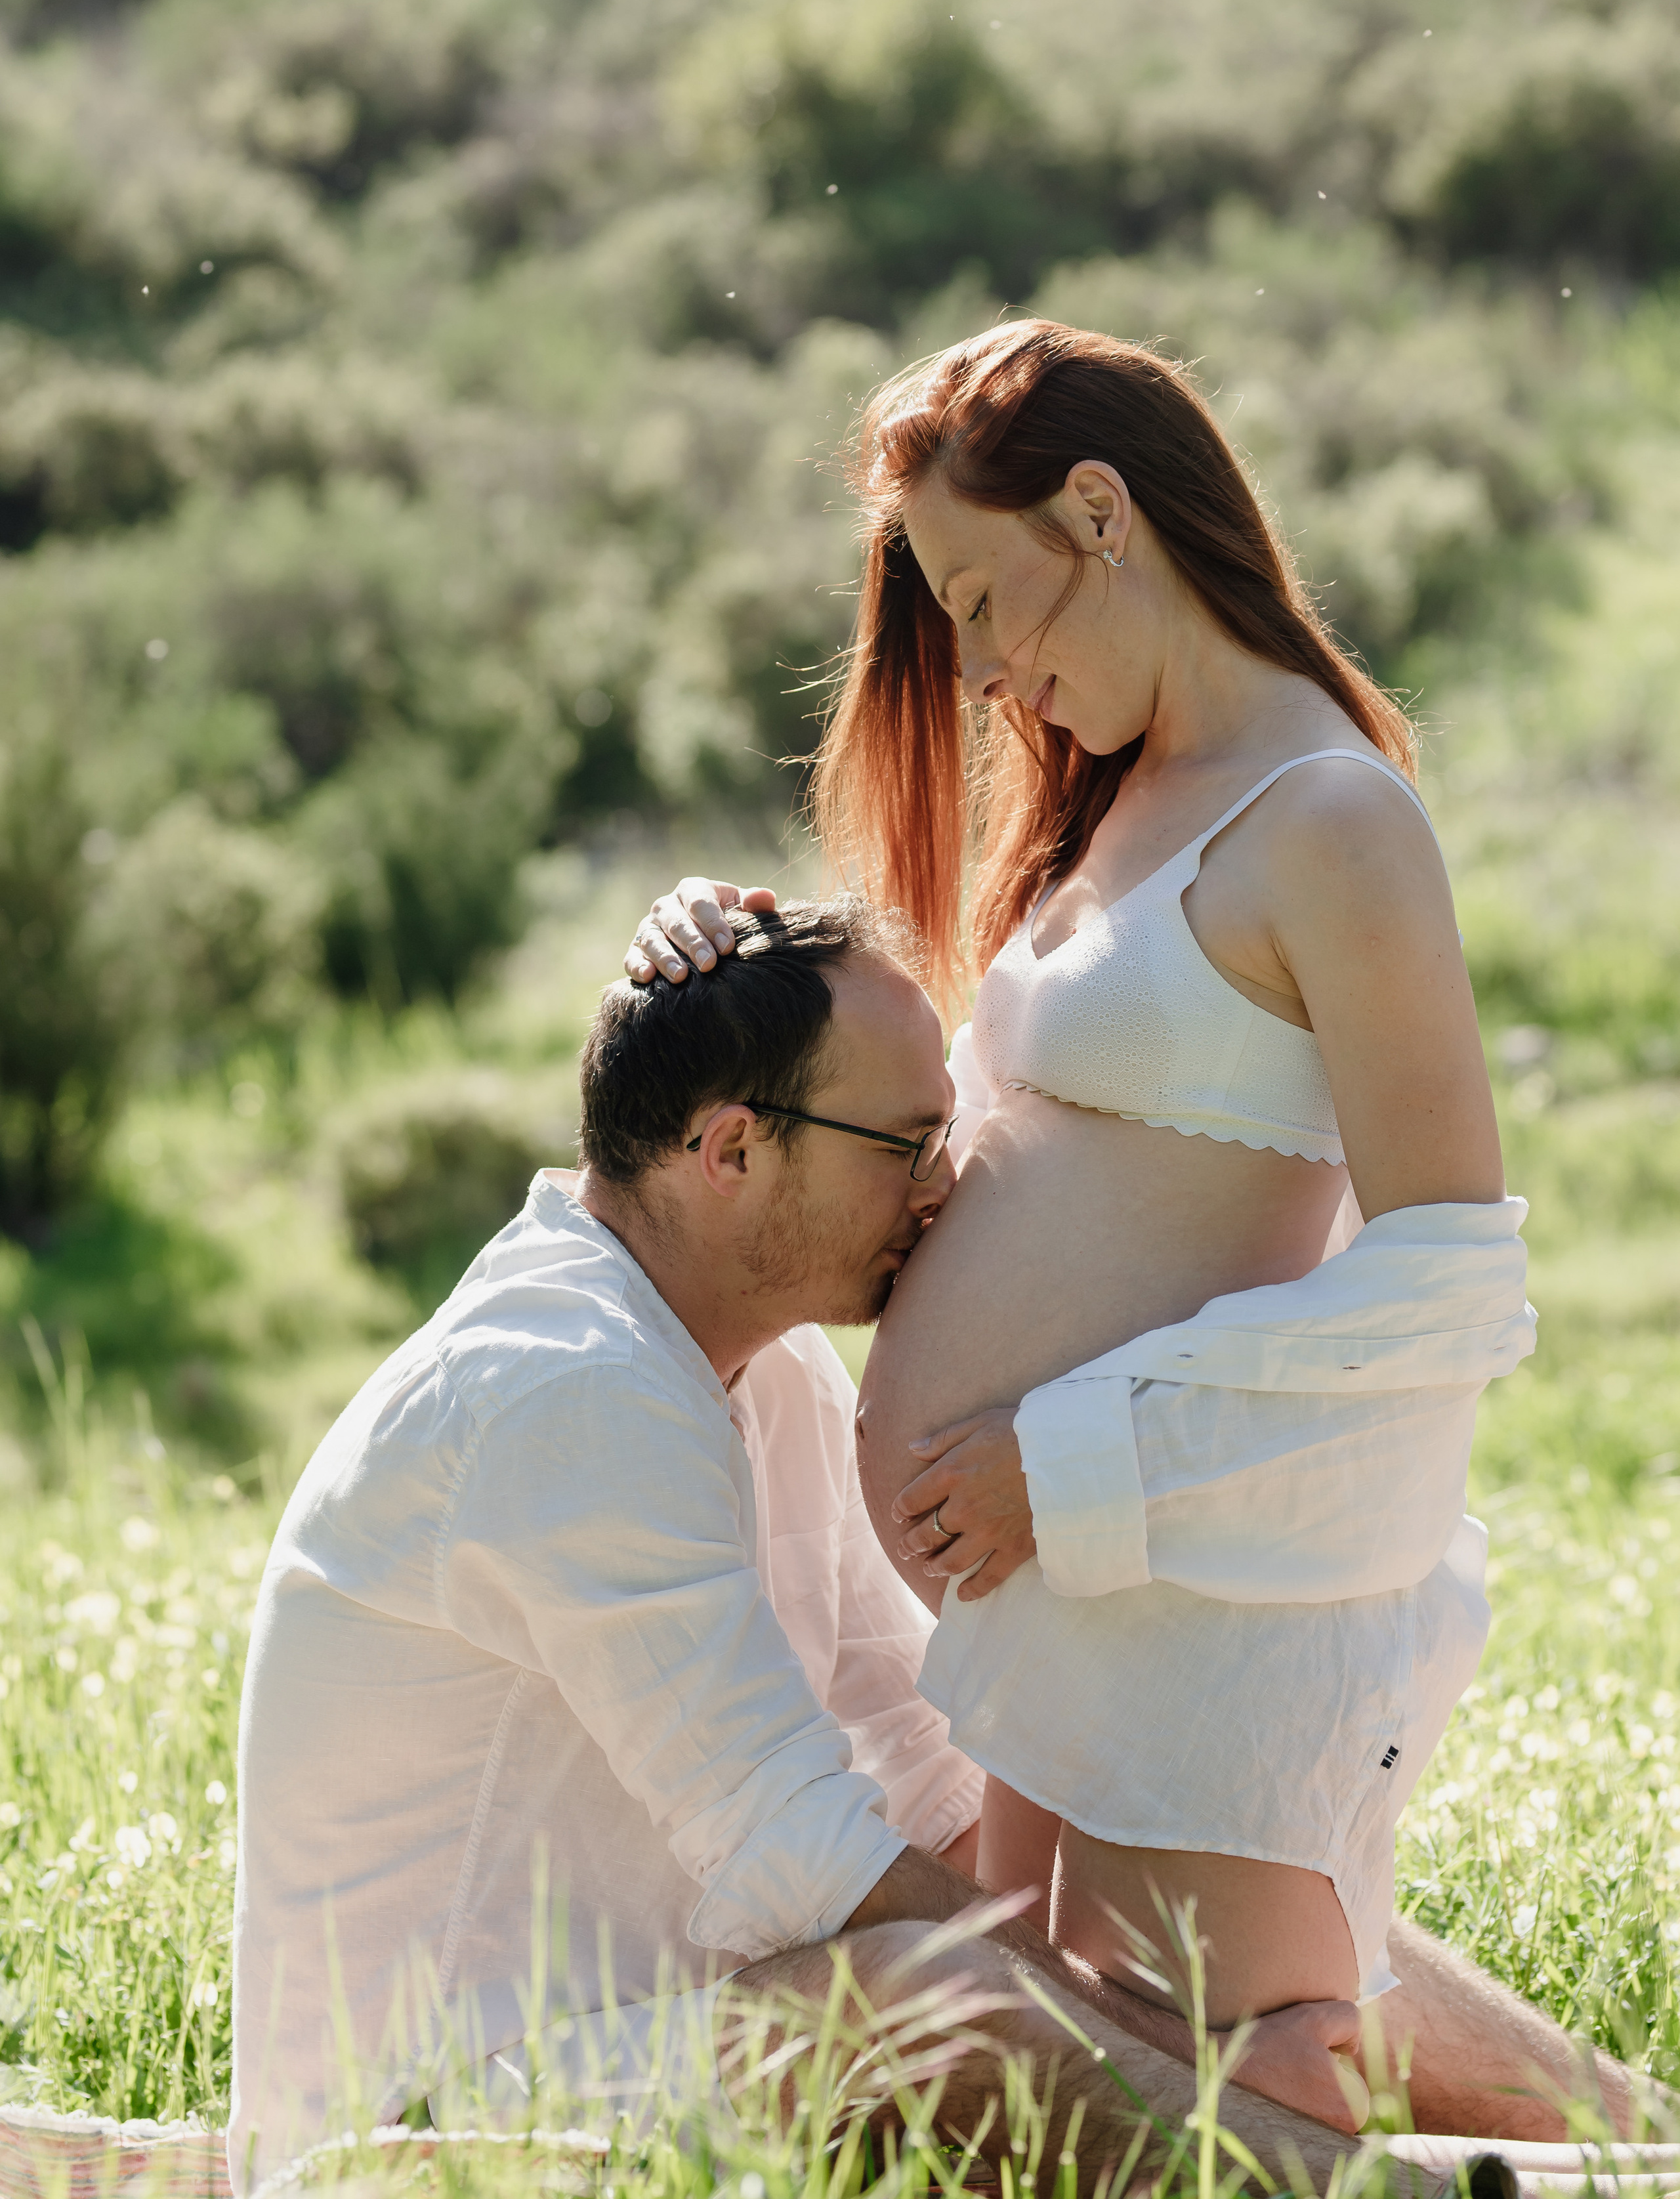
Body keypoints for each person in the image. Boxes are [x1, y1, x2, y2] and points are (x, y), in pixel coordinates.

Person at [620, 320, 1633, 2136]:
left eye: (995, 598)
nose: (994, 664)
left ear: (1102, 508)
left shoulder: (1329, 822)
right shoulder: (1121, 798)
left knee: (1271, 2089)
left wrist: (1067, 1459)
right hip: (1067, 1602)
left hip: (1196, 1588)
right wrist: (722, 943)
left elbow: (1447, 1283)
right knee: (1093, 2104)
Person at [229, 899, 1391, 2199]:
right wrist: (1191, 2066)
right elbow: (799, 1853)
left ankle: (1617, 2136)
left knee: (1206, 1859)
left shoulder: (763, 1370)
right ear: (728, 1151)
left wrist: (1195, 1895)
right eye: (904, 1143)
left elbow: (925, 1767)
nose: (940, 1186)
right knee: (922, 1994)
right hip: (427, 2134)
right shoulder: (558, 1388)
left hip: (652, 2055)